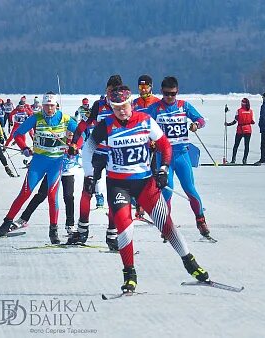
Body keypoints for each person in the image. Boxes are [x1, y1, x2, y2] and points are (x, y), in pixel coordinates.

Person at [83, 84, 208, 292]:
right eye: (116, 107)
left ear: (131, 103)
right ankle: (129, 274)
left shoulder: (145, 121)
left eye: (124, 106)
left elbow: (165, 145)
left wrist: (164, 169)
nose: (121, 111)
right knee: (124, 227)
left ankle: (189, 262)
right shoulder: (106, 125)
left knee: (166, 225)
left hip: (145, 183)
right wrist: (88, 175)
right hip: (118, 185)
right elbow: (87, 150)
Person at [0, 92, 78, 244]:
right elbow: (18, 134)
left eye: (51, 106)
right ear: (42, 105)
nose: (49, 109)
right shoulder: (36, 118)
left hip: (56, 163)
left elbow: (82, 131)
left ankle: (53, 230)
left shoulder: (65, 118)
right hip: (38, 161)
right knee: (25, 193)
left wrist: (75, 146)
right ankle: (6, 224)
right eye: (46, 106)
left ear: (56, 105)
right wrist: (24, 147)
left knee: (52, 196)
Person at [146, 76, 212, 240]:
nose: (170, 97)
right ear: (161, 92)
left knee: (190, 189)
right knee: (167, 192)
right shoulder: (155, 108)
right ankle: (167, 226)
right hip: (164, 157)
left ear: (177, 92)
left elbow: (201, 119)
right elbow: (143, 125)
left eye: (173, 94)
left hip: (182, 155)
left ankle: (200, 220)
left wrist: (196, 125)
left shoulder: (184, 106)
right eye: (167, 94)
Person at [67, 75, 123, 249]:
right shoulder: (99, 105)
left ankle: (112, 235)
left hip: (116, 155)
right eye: (109, 90)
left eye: (116, 91)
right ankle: (82, 231)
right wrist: (74, 143)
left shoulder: (124, 106)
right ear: (106, 89)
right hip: (97, 153)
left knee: (115, 196)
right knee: (87, 190)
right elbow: (84, 125)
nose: (112, 94)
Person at [132, 74, 160, 220]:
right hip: (139, 145)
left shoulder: (157, 102)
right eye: (140, 87)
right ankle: (139, 207)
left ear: (151, 87)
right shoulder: (134, 104)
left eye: (145, 86)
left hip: (154, 145)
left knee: (154, 176)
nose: (143, 90)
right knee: (139, 175)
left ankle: (155, 207)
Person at [225, 98, 255, 164]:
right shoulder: (251, 111)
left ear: (242, 103)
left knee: (236, 145)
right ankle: (244, 160)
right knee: (246, 146)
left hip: (240, 130)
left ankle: (233, 160)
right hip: (248, 130)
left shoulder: (239, 111)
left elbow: (235, 121)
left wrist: (228, 124)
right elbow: (253, 122)